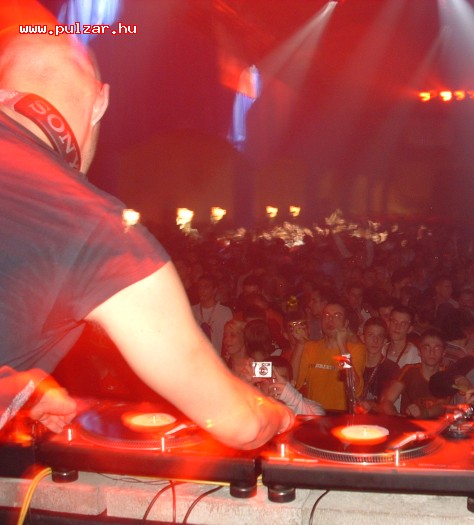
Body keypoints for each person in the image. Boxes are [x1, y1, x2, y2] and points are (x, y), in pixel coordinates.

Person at [0, 4, 292, 448]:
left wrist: (15, 389)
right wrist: (280, 414)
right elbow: (241, 424)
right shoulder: (94, 230)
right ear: (100, 101)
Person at [295, 302, 366, 412]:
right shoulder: (310, 347)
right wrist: (300, 345)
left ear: (346, 323)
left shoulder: (356, 349)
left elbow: (354, 388)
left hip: (341, 415)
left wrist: (342, 347)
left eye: (337, 316)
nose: (330, 320)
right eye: (326, 315)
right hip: (315, 413)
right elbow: (294, 382)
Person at [379, 328, 449, 419]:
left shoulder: (447, 375)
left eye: (437, 348)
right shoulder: (409, 371)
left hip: (436, 426)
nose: (431, 352)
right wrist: (396, 416)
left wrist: (422, 414)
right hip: (407, 425)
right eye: (426, 347)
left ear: (444, 352)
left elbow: (442, 406)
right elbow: (387, 400)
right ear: (419, 351)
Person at [357, 317, 400, 413]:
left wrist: (372, 405)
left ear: (385, 341)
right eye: (370, 335)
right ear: (363, 338)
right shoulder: (355, 364)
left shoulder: (391, 368)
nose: (375, 340)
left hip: (378, 419)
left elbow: (386, 404)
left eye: (379, 336)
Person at [191, 274, 233, 355]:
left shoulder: (225, 312)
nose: (201, 290)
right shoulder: (192, 310)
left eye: (206, 287)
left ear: (214, 290)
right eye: (199, 287)